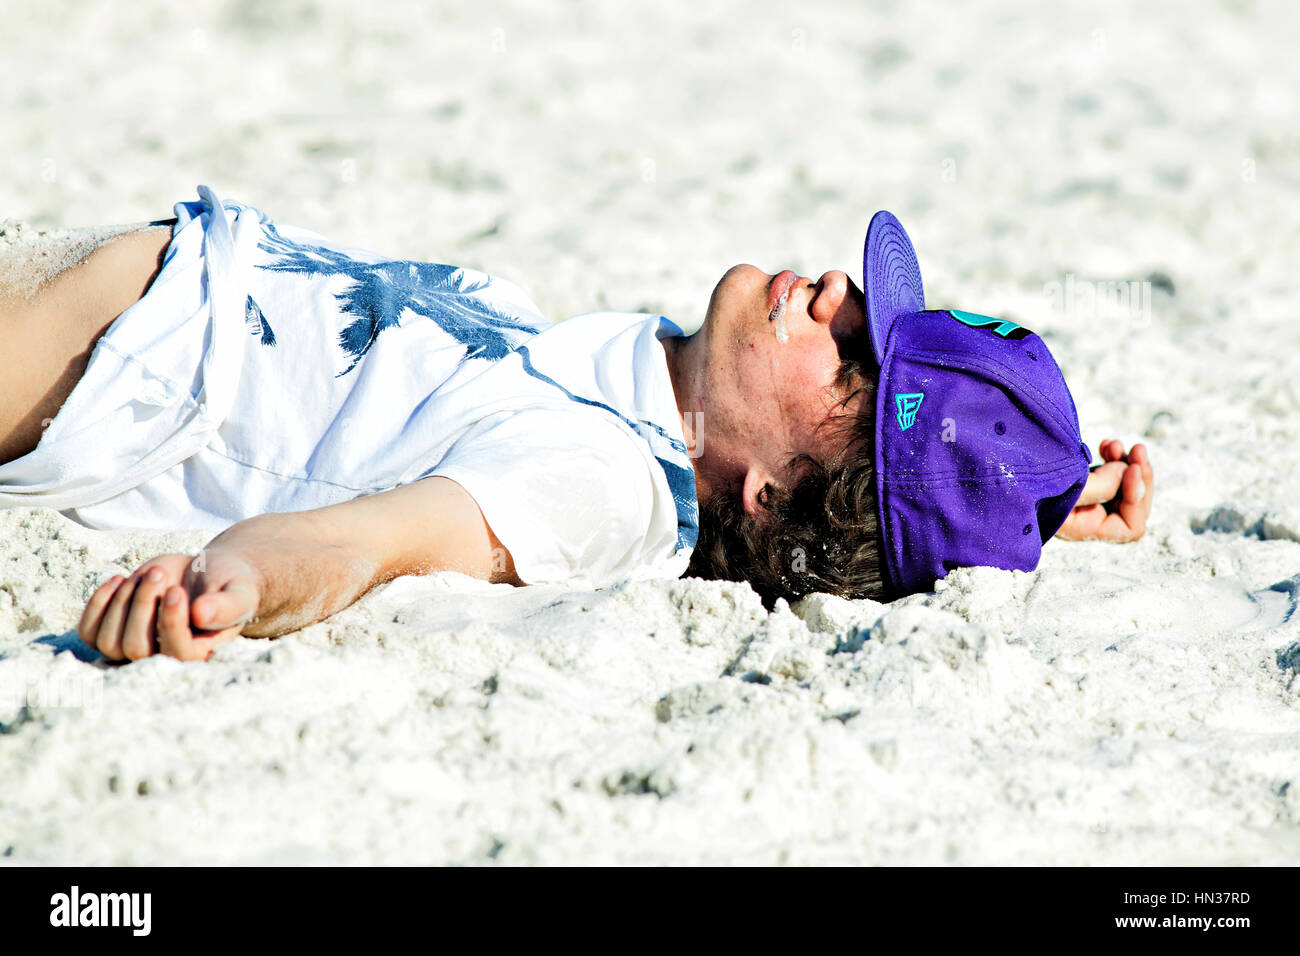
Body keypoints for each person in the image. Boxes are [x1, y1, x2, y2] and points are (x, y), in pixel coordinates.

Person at [0, 188, 1153, 662]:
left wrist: (230, 587)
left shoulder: (602, 484)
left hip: (93, 372)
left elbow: (376, 541)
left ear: (764, 492)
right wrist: (1039, 510)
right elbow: (886, 516)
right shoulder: (659, 380)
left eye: (850, 359)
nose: (840, 296)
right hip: (124, 279)